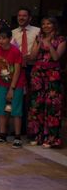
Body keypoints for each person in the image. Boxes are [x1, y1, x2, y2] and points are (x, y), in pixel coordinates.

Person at [28, 17, 65, 148]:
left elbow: (56, 57)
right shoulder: (39, 38)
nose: (45, 26)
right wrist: (39, 43)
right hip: (38, 74)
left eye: (48, 23)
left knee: (52, 106)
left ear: (54, 25)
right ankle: (36, 136)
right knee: (36, 105)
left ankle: (51, 139)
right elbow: (32, 56)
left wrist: (48, 43)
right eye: (43, 24)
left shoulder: (61, 39)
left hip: (52, 74)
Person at [0, 27, 25, 148]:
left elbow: (17, 72)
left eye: (4, 38)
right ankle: (2, 134)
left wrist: (12, 88)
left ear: (10, 39)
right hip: (2, 82)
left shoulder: (15, 51)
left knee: (15, 110)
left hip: (16, 84)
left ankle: (17, 137)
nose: (1, 41)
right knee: (1, 109)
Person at [11, 7, 40, 139]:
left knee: (33, 99)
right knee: (19, 98)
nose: (21, 18)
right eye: (19, 15)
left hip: (32, 68)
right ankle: (20, 128)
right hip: (17, 68)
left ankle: (33, 129)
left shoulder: (37, 31)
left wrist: (31, 57)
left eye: (24, 15)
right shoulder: (13, 32)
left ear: (30, 18)